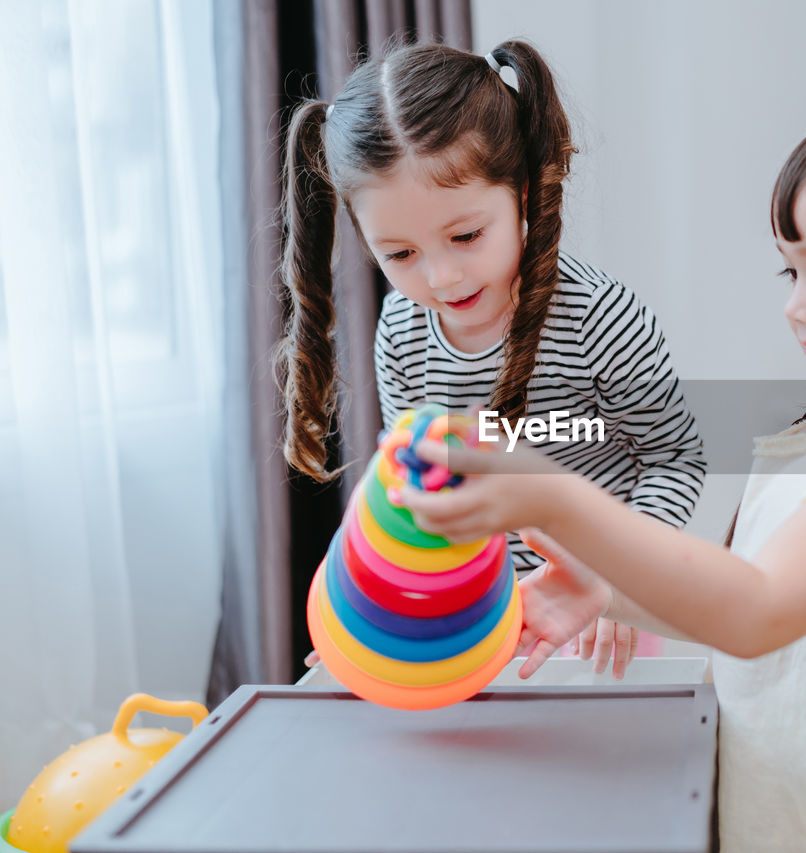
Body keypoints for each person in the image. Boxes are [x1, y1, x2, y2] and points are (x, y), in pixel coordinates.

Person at [393, 91, 806, 851]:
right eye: (788, 273)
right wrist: (608, 593)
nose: (795, 306)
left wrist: (559, 500)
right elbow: (760, 610)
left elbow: (756, 612)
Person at [278, 40, 706, 677]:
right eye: (400, 254)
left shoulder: (598, 315)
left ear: (525, 195)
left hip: (595, 621)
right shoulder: (400, 328)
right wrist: (367, 608)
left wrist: (624, 585)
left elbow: (676, 457)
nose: (443, 276)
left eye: (466, 235)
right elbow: (409, 480)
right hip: (471, 622)